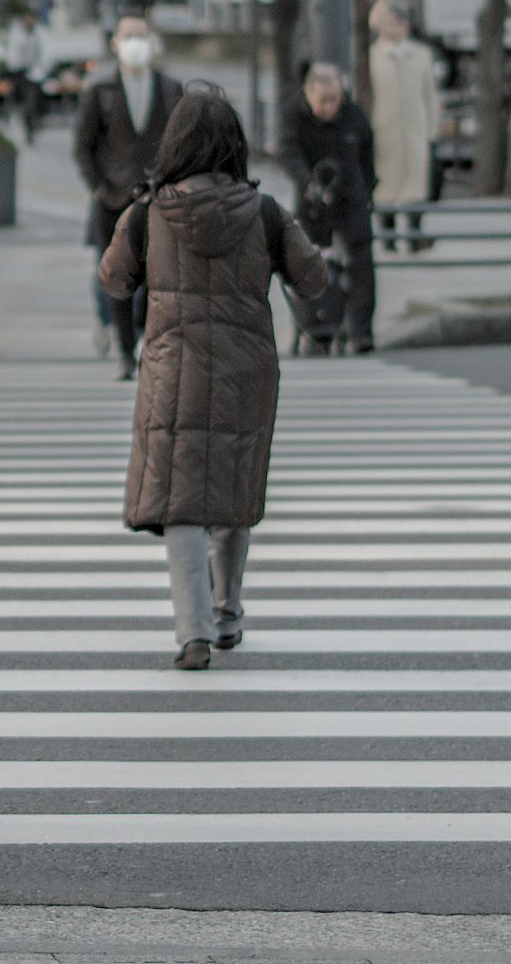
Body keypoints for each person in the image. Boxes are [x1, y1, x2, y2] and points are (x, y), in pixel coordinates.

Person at [99, 93, 336, 669]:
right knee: (230, 493)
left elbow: (112, 282)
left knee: (180, 502)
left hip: (171, 369)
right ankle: (228, 613)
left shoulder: (148, 212)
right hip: (245, 368)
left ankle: (193, 632)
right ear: (236, 144)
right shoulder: (266, 212)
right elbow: (315, 280)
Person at [73, 15, 172, 372]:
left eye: (142, 36)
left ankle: (144, 336)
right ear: (115, 43)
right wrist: (99, 187)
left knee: (156, 274)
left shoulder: (169, 89)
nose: (136, 43)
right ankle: (125, 351)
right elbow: (84, 146)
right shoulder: (100, 91)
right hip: (113, 199)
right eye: (129, 36)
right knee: (117, 276)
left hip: (157, 200)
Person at [282, 63, 379, 354]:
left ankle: (360, 331)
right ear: (309, 94)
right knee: (311, 262)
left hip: (350, 194)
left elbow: (367, 151)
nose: (330, 107)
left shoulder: (353, 114)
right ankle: (316, 327)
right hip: (313, 199)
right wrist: (308, 183)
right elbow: (289, 152)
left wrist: (367, 188)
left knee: (360, 262)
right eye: (323, 100)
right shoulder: (294, 115)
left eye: (335, 99)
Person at [365, 1, 440, 254]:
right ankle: (388, 235)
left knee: (416, 184)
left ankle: (415, 234)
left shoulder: (421, 55)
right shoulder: (372, 56)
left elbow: (429, 95)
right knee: (386, 184)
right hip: (385, 129)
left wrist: (432, 129)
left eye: (395, 23)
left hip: (414, 129)